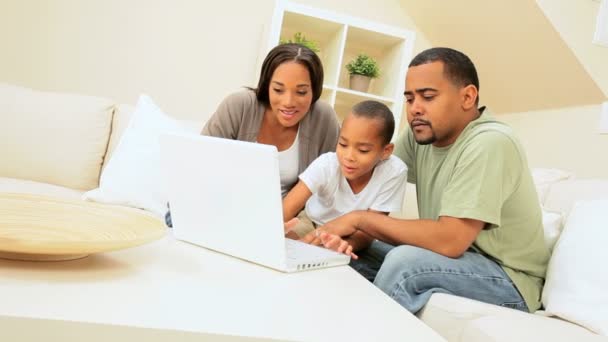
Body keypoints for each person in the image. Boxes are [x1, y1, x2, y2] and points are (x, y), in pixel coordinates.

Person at [302, 47, 550, 314]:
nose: (415, 109)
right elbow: (369, 169)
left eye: (428, 97)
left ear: (468, 97)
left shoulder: (490, 143)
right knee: (355, 251)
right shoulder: (421, 134)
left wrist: (359, 219)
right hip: (451, 260)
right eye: (409, 99)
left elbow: (450, 240)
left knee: (404, 262)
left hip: (508, 279)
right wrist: (331, 235)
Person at [165, 43, 339, 227]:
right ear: (266, 85)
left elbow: (331, 184)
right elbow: (199, 164)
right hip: (219, 206)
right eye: (278, 90)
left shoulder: (324, 119)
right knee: (180, 217)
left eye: (301, 92)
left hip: (279, 222)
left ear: (315, 90)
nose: (288, 102)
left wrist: (297, 226)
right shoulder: (239, 105)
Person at [282, 100, 407, 243]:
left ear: (386, 151)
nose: (349, 157)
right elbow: (286, 209)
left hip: (352, 234)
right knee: (292, 243)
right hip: (311, 221)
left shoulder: (394, 172)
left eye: (363, 150)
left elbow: (369, 232)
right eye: (343, 144)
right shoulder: (327, 164)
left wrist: (341, 247)